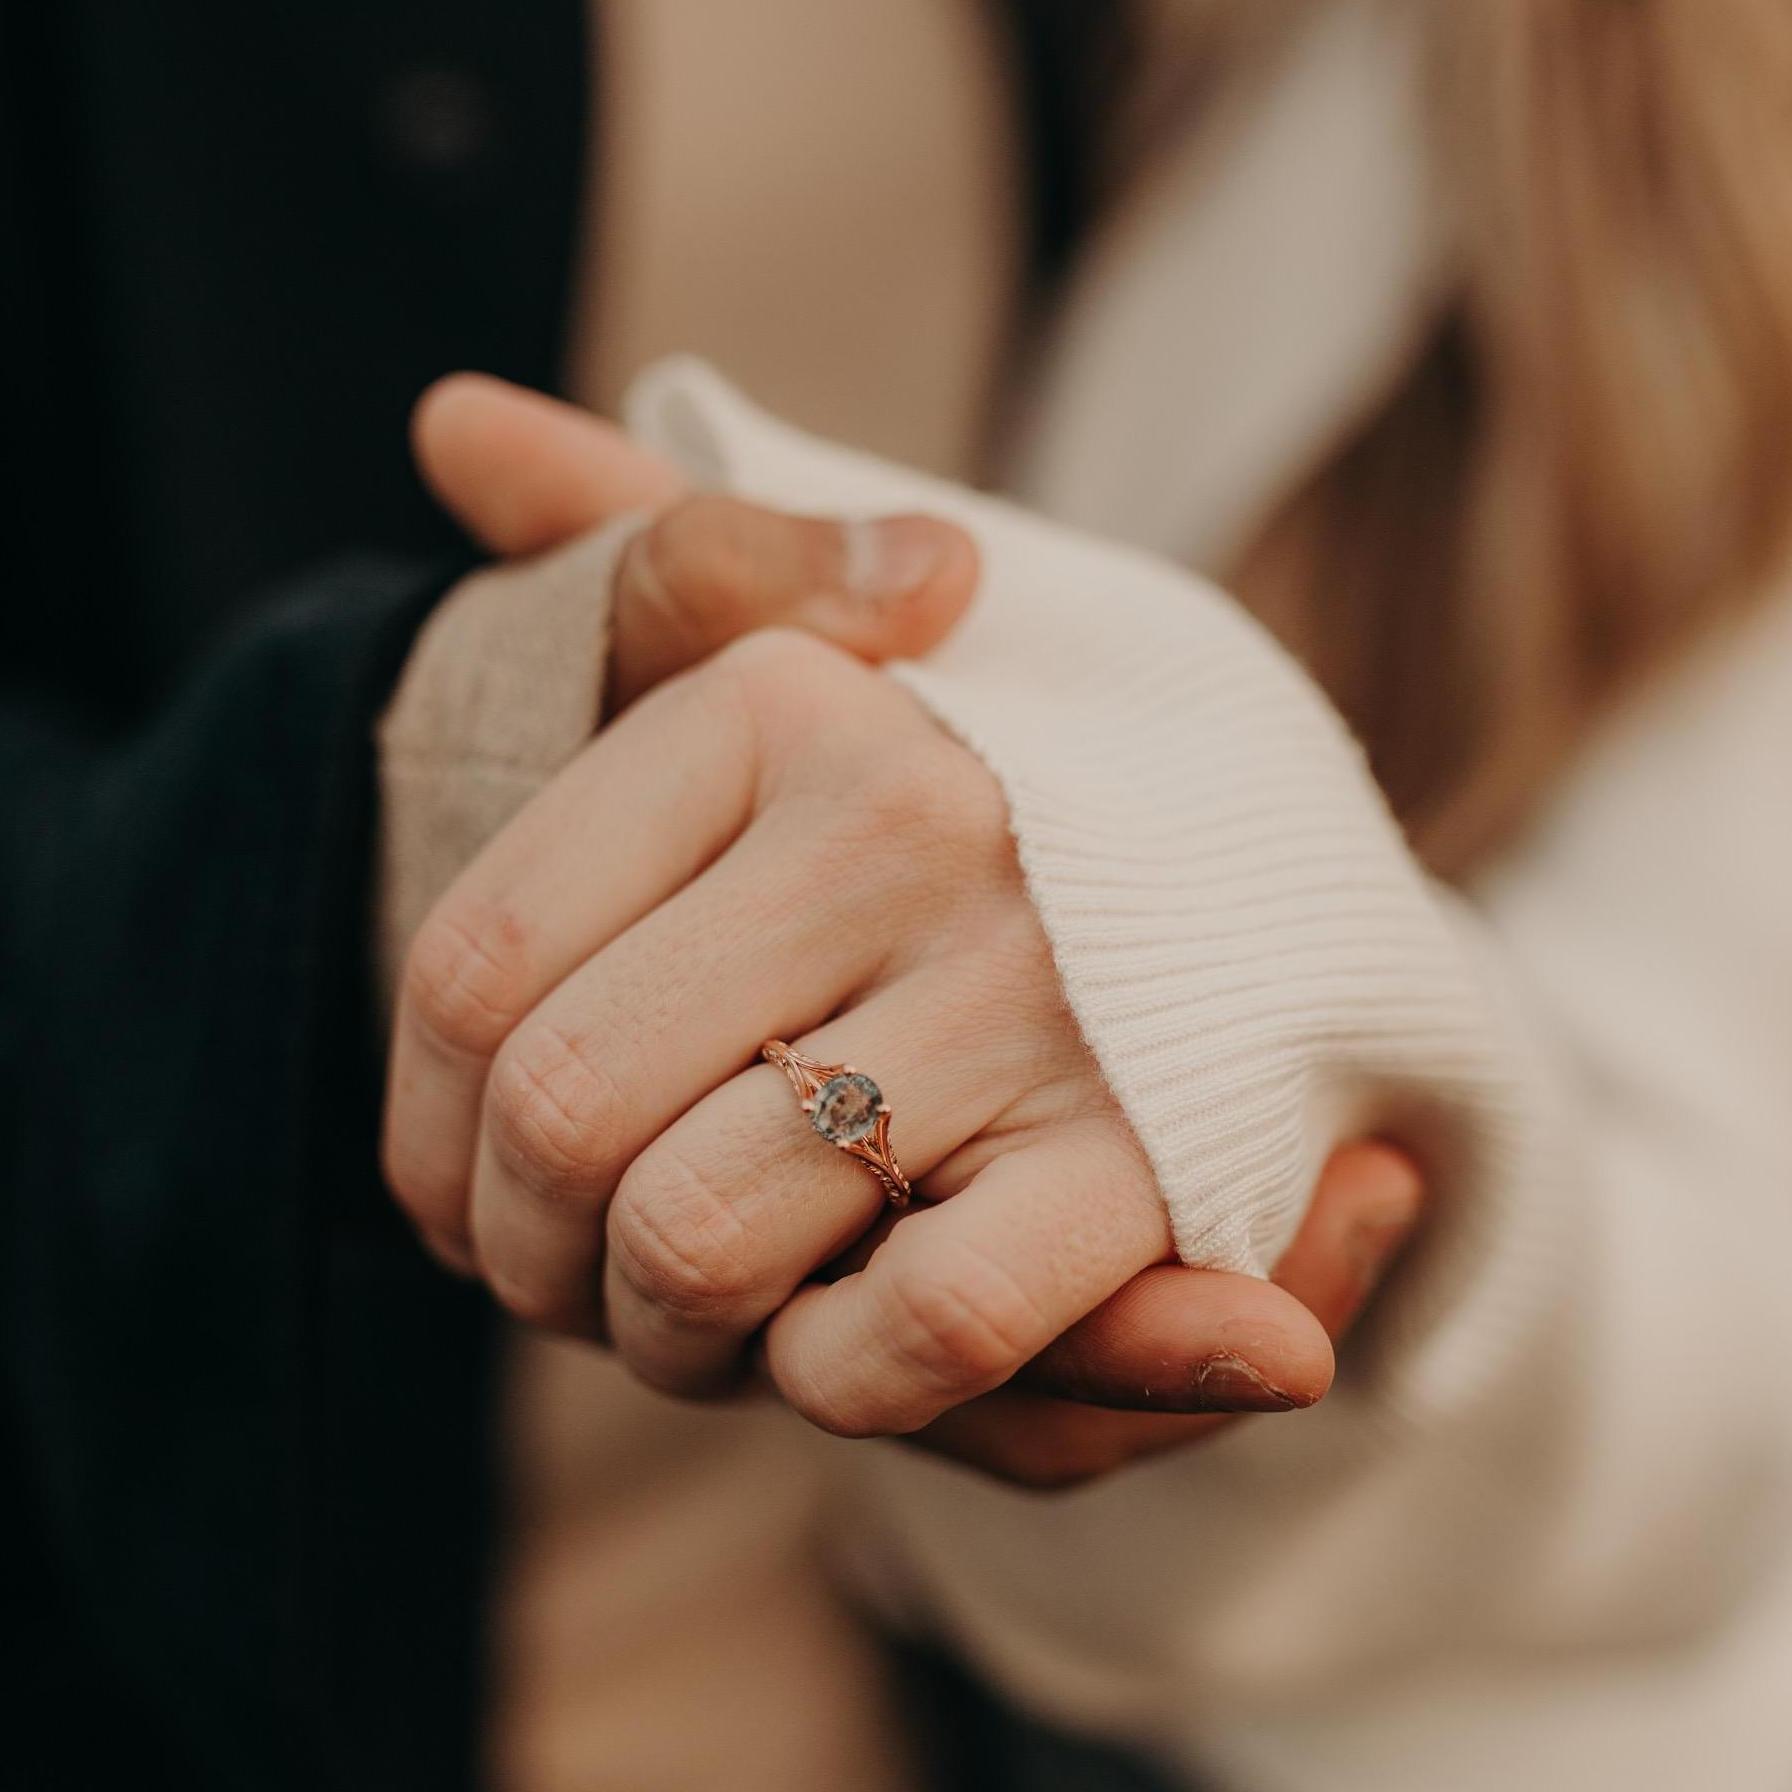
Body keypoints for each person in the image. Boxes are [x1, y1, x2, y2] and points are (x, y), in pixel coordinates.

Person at [7, 5, 1789, 1792]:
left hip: (918, 1689)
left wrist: (1241, 1005)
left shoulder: (1400, 79)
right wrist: (379, 812)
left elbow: (1712, 1197)